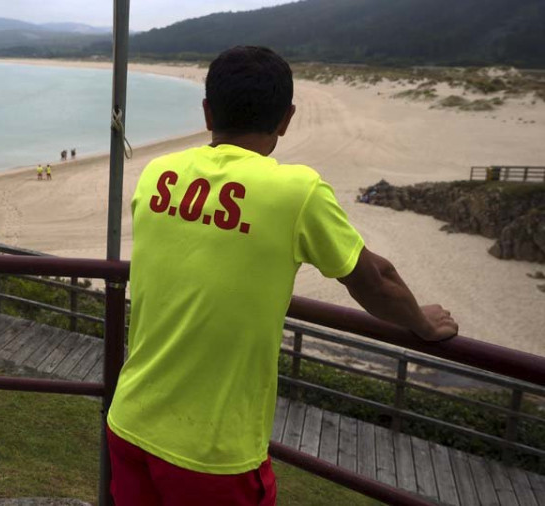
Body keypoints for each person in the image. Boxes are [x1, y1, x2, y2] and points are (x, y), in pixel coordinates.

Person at [106, 46, 458, 505]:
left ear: (208, 112)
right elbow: (376, 279)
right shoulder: (297, 190)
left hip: (129, 422)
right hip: (211, 452)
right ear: (287, 119)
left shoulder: (157, 173)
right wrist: (423, 323)